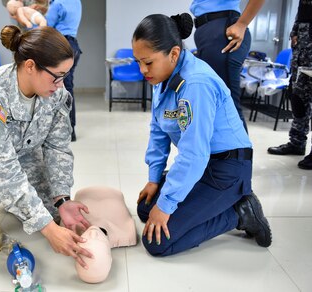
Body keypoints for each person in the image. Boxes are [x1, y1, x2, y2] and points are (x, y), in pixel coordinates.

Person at [0, 25, 93, 268]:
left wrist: (62, 199)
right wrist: (48, 229)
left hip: (22, 152)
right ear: (30, 66)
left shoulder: (56, 94)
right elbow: (0, 165)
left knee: (50, 210)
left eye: (66, 75)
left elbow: (58, 148)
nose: (61, 84)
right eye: (57, 75)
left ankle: (21, 203)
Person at [132, 13, 272, 257]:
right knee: (146, 209)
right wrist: (154, 179)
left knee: (157, 242)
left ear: (173, 54)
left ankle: (240, 212)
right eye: (138, 62)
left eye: (148, 62)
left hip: (226, 169)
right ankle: (213, 201)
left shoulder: (196, 84)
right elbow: (158, 131)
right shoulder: (162, 77)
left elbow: (194, 153)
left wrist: (166, 205)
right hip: (204, 164)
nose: (143, 70)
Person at [190, 0, 265, 132]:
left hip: (222, 30)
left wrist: (242, 24)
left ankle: (241, 153)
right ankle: (221, 152)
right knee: (213, 105)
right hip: (207, 31)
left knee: (227, 107)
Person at [267, 0, 312, 170]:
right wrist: (295, 31)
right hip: (302, 43)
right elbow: (303, 9)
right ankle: (297, 142)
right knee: (298, 98)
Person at [72, 186, 137, 283]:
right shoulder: (127, 234)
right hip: (114, 193)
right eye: (97, 241)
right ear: (111, 259)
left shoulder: (69, 229)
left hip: (80, 194)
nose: (93, 233)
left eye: (86, 241)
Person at [45, 0, 82, 141]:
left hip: (60, 45)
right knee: (68, 88)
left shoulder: (58, 3)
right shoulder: (76, 1)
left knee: (57, 88)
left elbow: (46, 25)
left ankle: (61, 130)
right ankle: (71, 129)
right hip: (73, 46)